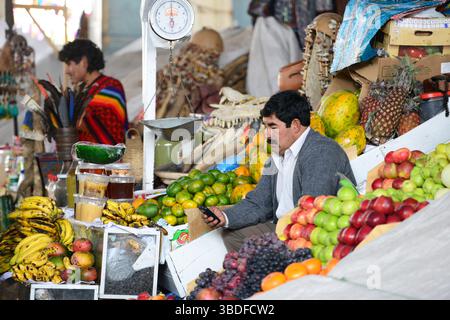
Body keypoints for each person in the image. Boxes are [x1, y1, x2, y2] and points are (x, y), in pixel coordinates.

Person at [202, 90, 356, 252]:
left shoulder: (321, 152)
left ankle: (284, 272)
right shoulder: (277, 155)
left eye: (272, 127)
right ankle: (268, 273)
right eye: (265, 126)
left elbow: (313, 213)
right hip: (284, 227)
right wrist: (224, 217)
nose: (267, 134)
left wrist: (285, 238)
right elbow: (259, 203)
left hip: (317, 234)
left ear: (295, 126)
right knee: (233, 235)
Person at [58, 39, 128, 145]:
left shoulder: (111, 87)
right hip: (82, 159)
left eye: (69, 64)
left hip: (108, 159)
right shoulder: (81, 90)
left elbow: (109, 131)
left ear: (84, 62)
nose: (66, 71)